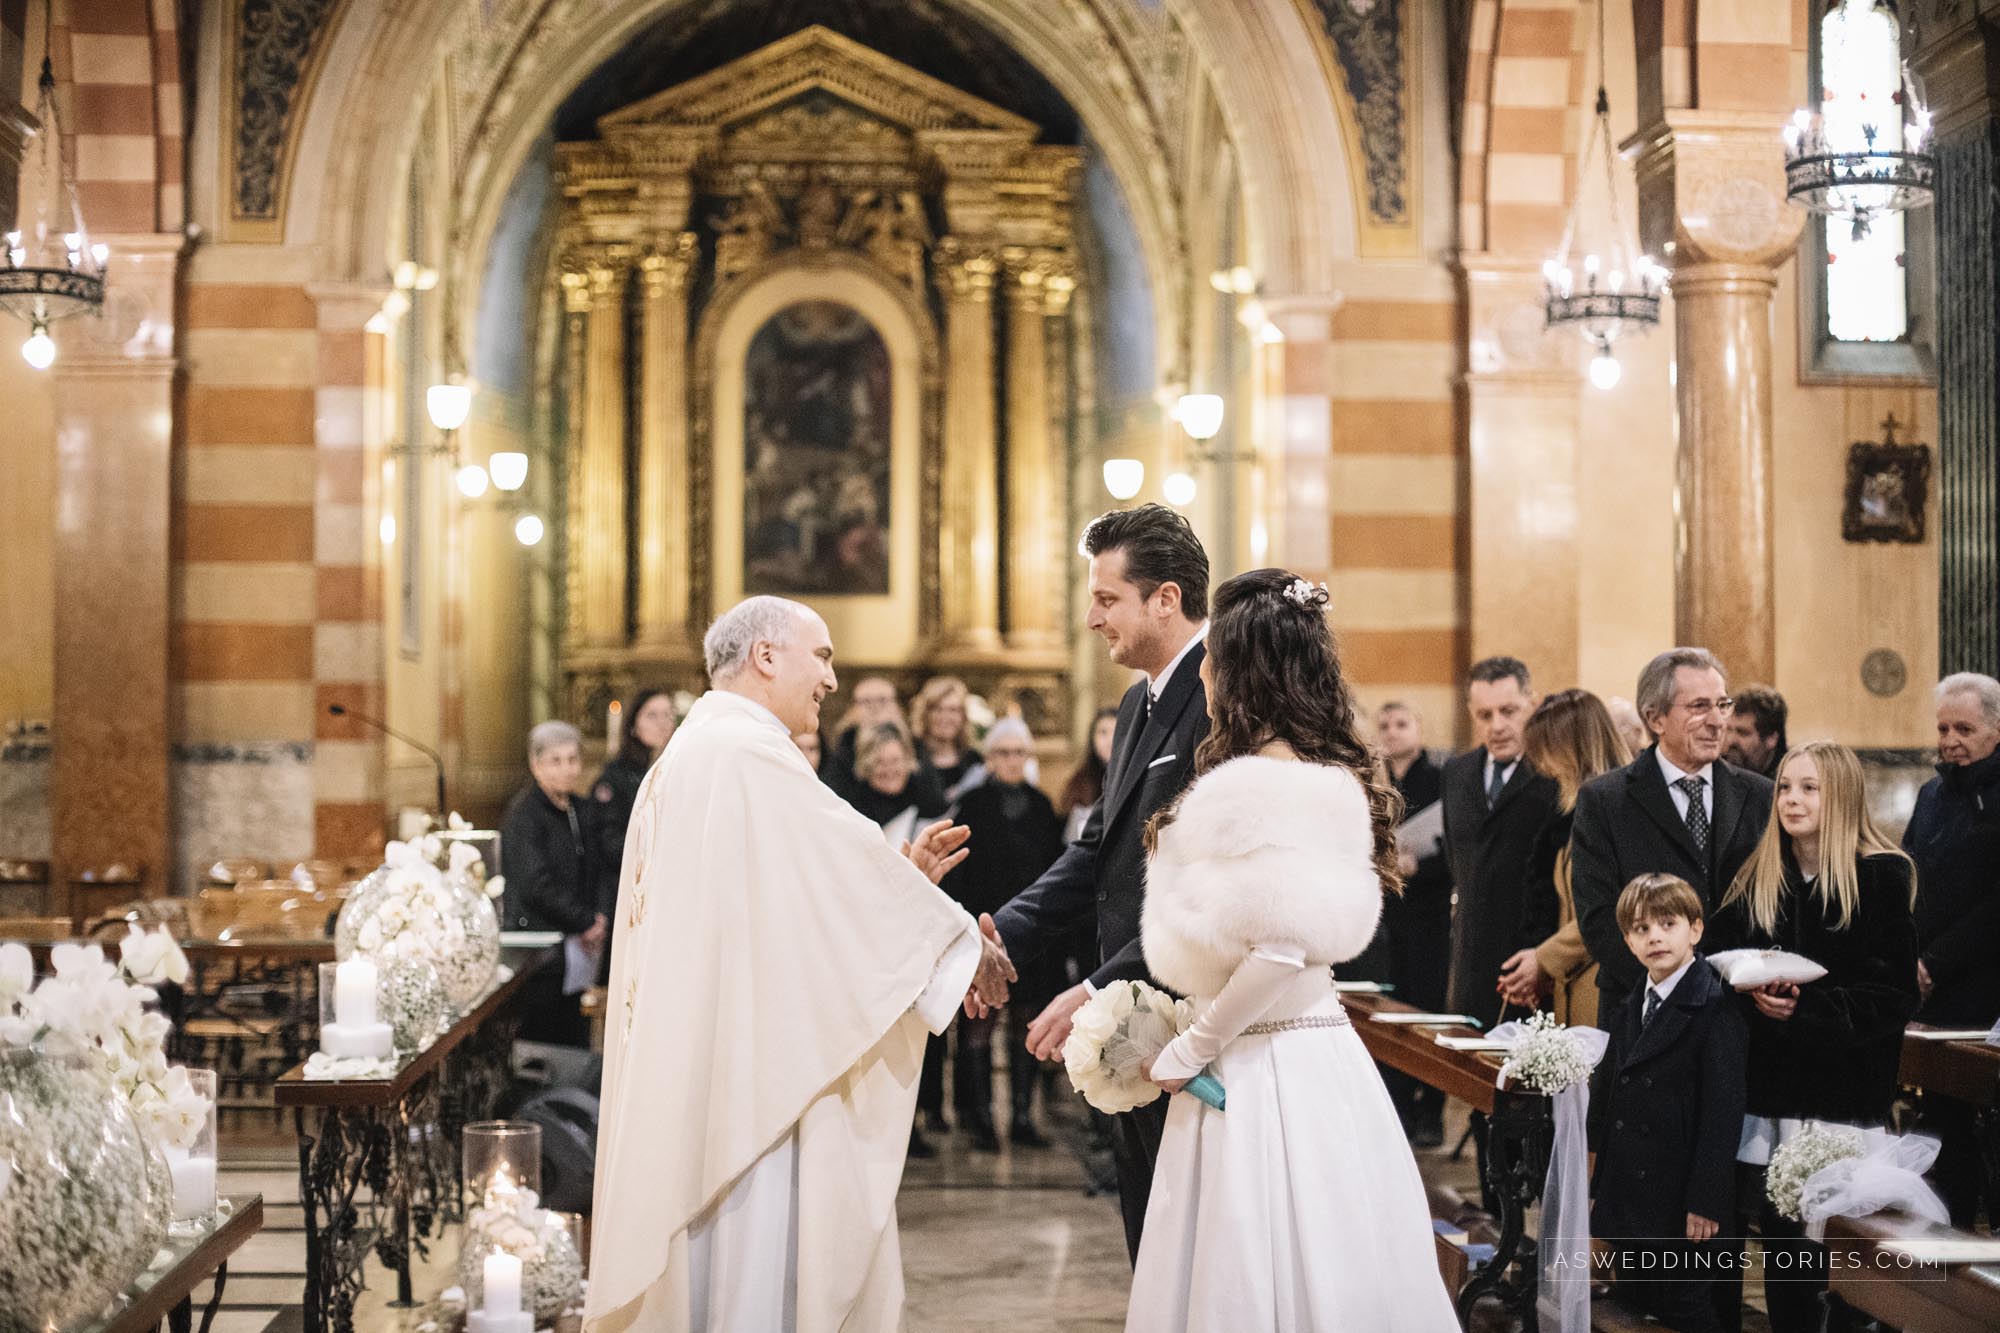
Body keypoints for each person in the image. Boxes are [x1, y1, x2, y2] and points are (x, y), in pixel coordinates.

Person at [584, 596, 1015, 1332]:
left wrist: (903, 881)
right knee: (755, 1270)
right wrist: (962, 944)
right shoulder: (746, 754)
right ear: (766, 656)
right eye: (822, 656)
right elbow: (824, 881)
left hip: (718, 1058)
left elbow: (789, 902)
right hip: (751, 1081)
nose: (832, 679)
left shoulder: (698, 752)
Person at [1125, 569, 1456, 1331]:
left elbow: (1280, 946)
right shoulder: (1323, 774)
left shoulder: (1258, 785)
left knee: (1256, 1257)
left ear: (1239, 672)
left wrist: (1191, 1047)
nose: (1201, 673)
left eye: (1211, 659)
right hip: (1313, 1055)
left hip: (1260, 1063)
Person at [989, 502, 1211, 1263]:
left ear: (1167, 598)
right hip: (1136, 1019)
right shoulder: (1136, 701)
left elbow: (1200, 892)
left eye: (1106, 598)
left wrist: (1094, 988)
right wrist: (1001, 931)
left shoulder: (1219, 701)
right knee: (1150, 1235)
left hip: (1195, 1019)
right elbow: (1096, 854)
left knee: (1193, 1242)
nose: (1091, 618)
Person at [1710, 741, 1919, 1333]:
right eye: (1784, 787)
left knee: (1841, 1261)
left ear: (1843, 796)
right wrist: (1751, 992)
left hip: (1841, 1098)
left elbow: (1894, 995)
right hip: (1772, 1094)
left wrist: (1807, 1009)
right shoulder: (1758, 875)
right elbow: (1717, 963)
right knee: (1786, 1254)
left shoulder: (1880, 875)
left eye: (1809, 788)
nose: (1792, 800)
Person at [1571, 647, 1774, 1021]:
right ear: (1655, 718)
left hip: (1741, 1016)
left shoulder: (1761, 795)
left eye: (1723, 705)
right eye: (1699, 707)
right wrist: (1677, 988)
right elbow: (1599, 919)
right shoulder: (1605, 800)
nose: (1717, 722)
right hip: (1642, 1013)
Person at [1588, 874, 1746, 1333]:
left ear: (1695, 930)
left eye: (1667, 923)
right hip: (1634, 1195)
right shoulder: (1633, 1002)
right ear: (1628, 942)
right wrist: (1600, 1186)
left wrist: (1707, 1200)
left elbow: (1723, 1113)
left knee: (1687, 1309)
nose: (1654, 936)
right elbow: (1612, 1101)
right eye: (1641, 929)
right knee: (1637, 1306)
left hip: (1684, 1203)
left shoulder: (1714, 1005)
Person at [940, 718, 1067, 1149]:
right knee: (978, 1024)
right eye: (1004, 753)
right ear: (990, 759)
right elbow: (958, 874)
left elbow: (1056, 872)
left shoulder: (1042, 805)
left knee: (1025, 1024)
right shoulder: (972, 805)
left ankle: (1020, 1118)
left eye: (1019, 753)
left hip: (1034, 938)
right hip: (984, 929)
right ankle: (978, 1118)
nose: (1012, 760)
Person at [1902, 670, 2000, 1228]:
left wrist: (1934, 963)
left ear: (1996, 730)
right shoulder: (1932, 793)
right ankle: (1947, 1256)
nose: (1949, 740)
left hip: (1982, 989)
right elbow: (1912, 875)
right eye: (1942, 728)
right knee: (1942, 1130)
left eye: (1964, 727)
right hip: (1930, 991)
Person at [1497, 690, 1632, 1028]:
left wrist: (1544, 958)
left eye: (1546, 752)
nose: (1542, 766)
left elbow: (1610, 905)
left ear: (1571, 748)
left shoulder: (1621, 806)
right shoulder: (1575, 811)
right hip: (1574, 985)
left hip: (1606, 987)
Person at [1441, 656, 1559, 1030]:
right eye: (1484, 715)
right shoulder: (1457, 773)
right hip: (1471, 961)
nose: (1497, 726)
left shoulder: (1554, 774)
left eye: (1509, 711)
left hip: (1534, 964)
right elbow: (1456, 862)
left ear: (1533, 705)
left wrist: (1546, 959)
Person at [501, 721, 612, 1048]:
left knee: (576, 1038)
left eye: (572, 759)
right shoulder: (524, 816)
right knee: (546, 1042)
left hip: (580, 945)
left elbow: (600, 868)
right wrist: (585, 920)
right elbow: (536, 884)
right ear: (536, 765)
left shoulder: (581, 809)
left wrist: (599, 916)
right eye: (556, 760)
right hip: (542, 952)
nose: (567, 769)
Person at [1375, 701, 1452, 1146]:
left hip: (1429, 911)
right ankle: (1398, 1106)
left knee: (1429, 1006)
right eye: (1384, 725)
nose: (1392, 732)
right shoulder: (1374, 778)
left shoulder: (1439, 779)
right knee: (1390, 1011)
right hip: (1388, 917)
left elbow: (1456, 850)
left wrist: (1419, 867)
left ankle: (1432, 1111)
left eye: (1401, 723)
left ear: (1418, 729)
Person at [591, 689, 677, 982]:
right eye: (652, 715)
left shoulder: (677, 769)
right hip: (629, 895)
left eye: (668, 715)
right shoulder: (615, 777)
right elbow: (609, 844)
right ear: (633, 724)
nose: (663, 723)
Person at [819, 675, 902, 798]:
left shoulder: (912, 744)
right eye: (866, 701)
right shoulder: (842, 749)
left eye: (882, 700)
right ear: (853, 708)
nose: (875, 708)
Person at [910, 676, 985, 800]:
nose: (945, 717)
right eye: (937, 709)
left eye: (953, 710)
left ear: (963, 716)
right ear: (925, 714)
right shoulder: (909, 754)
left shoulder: (974, 760)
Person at [1059, 706, 1120, 843]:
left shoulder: (1135, 778)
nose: (1110, 740)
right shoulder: (1079, 784)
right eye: (1103, 732)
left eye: (1116, 731)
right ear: (1092, 738)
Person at [1725, 685, 1788, 779]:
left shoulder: (1787, 780)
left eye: (1742, 733)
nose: (1731, 740)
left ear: (1771, 738)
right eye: (1728, 730)